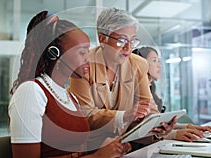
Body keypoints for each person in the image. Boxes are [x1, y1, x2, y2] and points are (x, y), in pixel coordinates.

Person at [8, 11, 131, 158]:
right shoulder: (31, 92)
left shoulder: (69, 96)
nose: (88, 59)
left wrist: (110, 147)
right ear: (55, 54)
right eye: (81, 52)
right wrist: (97, 156)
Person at [68, 7, 176, 150]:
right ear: (102, 39)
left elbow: (148, 107)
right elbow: (85, 114)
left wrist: (158, 126)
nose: (128, 48)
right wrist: (124, 116)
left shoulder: (138, 64)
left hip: (125, 145)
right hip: (90, 148)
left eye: (132, 41)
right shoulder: (82, 64)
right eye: (121, 40)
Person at [133, 46, 211, 142]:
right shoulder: (133, 93)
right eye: (154, 61)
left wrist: (190, 127)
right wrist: (174, 134)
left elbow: (159, 125)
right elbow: (138, 131)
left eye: (159, 61)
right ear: (141, 64)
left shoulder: (151, 89)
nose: (159, 65)